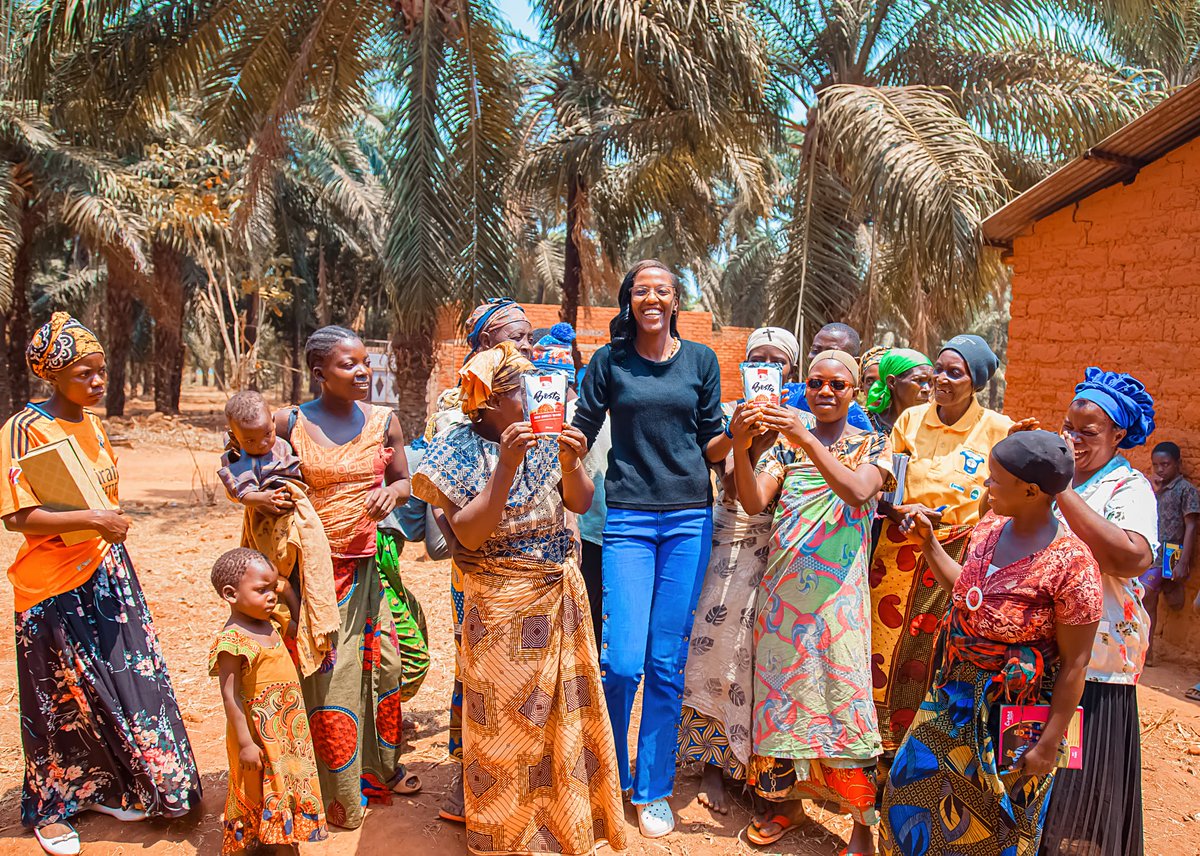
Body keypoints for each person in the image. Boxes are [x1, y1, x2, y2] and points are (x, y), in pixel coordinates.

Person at [413, 342, 627, 855]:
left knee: (560, 720)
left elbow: (579, 501)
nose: (535, 395)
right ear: (487, 399)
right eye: (521, 388)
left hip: (558, 597)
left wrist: (572, 462)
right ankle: (505, 837)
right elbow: (467, 534)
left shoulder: (550, 437)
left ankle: (561, 828)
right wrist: (506, 465)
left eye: (539, 385)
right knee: (504, 728)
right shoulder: (458, 448)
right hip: (500, 607)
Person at [0, 313, 200, 856]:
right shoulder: (23, 431)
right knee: (61, 698)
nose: (97, 382)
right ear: (54, 375)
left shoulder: (93, 423)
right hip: (51, 586)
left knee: (133, 684)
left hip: (108, 571)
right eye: (85, 374)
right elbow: (17, 518)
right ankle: (54, 807)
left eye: (101, 371)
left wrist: (100, 524)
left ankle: (132, 786)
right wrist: (92, 520)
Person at [880, 431, 1102, 856]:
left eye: (995, 480)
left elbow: (1077, 662)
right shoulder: (988, 529)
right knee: (906, 794)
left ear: (1031, 491)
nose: (986, 487)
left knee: (995, 825)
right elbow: (965, 591)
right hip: (954, 692)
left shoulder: (1073, 564)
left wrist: (1050, 744)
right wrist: (927, 543)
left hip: (1018, 710)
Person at [572, 259, 725, 837]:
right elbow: (584, 425)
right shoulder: (609, 362)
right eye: (643, 290)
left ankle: (653, 787)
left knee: (665, 664)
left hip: (689, 520)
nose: (653, 298)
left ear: (676, 301)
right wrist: (566, 441)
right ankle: (610, 776)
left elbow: (712, 441)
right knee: (621, 662)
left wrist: (744, 431)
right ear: (629, 300)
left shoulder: (701, 361)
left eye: (663, 290)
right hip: (630, 519)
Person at [731, 350, 891, 853]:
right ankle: (785, 804)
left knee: (844, 701)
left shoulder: (875, 443)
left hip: (837, 602)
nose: (825, 391)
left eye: (838, 385)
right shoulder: (780, 447)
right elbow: (754, 502)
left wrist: (804, 439)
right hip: (782, 600)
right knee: (780, 702)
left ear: (854, 392)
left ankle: (862, 825)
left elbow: (857, 494)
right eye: (816, 382)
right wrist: (741, 446)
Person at [274, 325, 417, 828]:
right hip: (312, 576)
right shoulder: (287, 423)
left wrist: (391, 496)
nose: (362, 372)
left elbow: (404, 481)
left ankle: (378, 770)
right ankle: (334, 793)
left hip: (370, 567)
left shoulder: (385, 422)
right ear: (319, 374)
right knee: (330, 679)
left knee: (386, 669)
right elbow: (246, 468)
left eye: (364, 363)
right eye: (348, 365)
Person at [677, 326, 801, 816]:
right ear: (746, 368)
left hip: (783, 549)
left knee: (762, 660)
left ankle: (753, 768)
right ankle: (712, 764)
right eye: (758, 360)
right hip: (730, 539)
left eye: (778, 361)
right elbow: (729, 488)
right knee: (716, 651)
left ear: (790, 371)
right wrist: (743, 437)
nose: (767, 369)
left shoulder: (800, 421)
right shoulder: (730, 415)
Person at [870, 334, 1014, 751]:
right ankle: (878, 749)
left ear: (977, 382)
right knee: (885, 645)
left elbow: (998, 497)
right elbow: (887, 485)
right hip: (900, 547)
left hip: (959, 551)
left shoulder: (997, 429)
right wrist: (903, 513)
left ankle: (920, 750)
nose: (942, 379)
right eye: (939, 368)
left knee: (935, 650)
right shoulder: (910, 420)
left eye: (956, 372)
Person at [1039, 367, 1158, 856]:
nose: (1073, 439)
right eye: (1068, 428)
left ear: (1118, 435)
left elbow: (1129, 558)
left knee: (1076, 793)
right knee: (1035, 776)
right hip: (1042, 654)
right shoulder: (1052, 478)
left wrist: (1059, 486)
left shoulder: (1129, 490)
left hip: (1097, 668)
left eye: (1087, 432)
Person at [437, 298, 536, 823]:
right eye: (508, 337)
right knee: (475, 671)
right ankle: (469, 771)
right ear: (480, 345)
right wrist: (463, 552)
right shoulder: (459, 407)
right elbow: (444, 505)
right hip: (478, 566)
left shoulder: (538, 397)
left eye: (526, 337)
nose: (522, 345)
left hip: (533, 565)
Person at [210, 548, 327, 854]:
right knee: (259, 787)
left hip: (286, 731)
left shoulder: (271, 621)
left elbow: (304, 630)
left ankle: (278, 838)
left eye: (272, 588)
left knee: (285, 783)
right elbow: (230, 694)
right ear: (230, 594)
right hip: (258, 736)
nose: (270, 596)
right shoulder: (233, 641)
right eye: (262, 590)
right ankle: (271, 844)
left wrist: (288, 592)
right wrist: (247, 743)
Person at [221, 390, 340, 680]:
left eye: (267, 434)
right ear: (235, 437)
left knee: (303, 570)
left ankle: (304, 620)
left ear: (273, 423)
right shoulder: (237, 458)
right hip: (263, 525)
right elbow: (239, 493)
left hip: (292, 523)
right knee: (270, 575)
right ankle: (287, 619)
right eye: (251, 440)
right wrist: (261, 499)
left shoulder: (284, 446)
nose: (262, 443)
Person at [1144, 441, 1199, 669]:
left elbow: (1192, 526)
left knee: (1147, 595)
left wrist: (1184, 561)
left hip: (1171, 553)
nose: (1160, 469)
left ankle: (1146, 652)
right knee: (1150, 598)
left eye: (1165, 464)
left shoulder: (1186, 490)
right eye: (1156, 465)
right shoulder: (1157, 488)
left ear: (1178, 464)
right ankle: (1147, 652)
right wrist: (1155, 492)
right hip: (1154, 551)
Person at [787, 323, 873, 431]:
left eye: (831, 352)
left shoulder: (858, 424)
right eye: (815, 350)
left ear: (854, 362)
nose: (820, 357)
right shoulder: (784, 394)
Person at [864, 348, 933, 436]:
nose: (927, 389)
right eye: (918, 380)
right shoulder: (865, 422)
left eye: (931, 382)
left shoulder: (937, 424)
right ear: (891, 382)